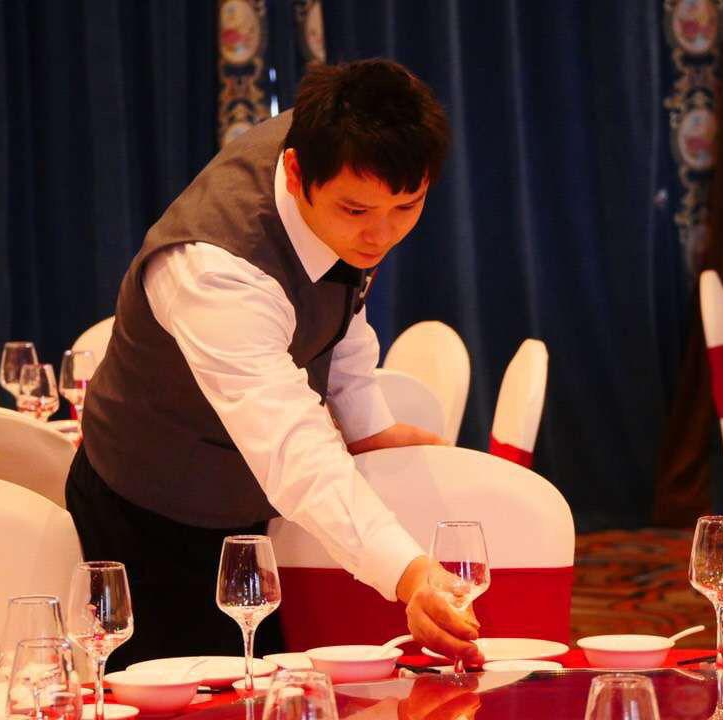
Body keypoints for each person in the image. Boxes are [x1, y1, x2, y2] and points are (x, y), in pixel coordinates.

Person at [66, 58, 484, 670]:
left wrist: (367, 426)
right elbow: (293, 447)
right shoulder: (217, 270)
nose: (381, 236)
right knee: (187, 697)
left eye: (407, 207)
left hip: (251, 510)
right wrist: (410, 573)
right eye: (356, 212)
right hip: (148, 508)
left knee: (266, 686)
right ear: (293, 172)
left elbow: (344, 301)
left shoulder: (349, 157)